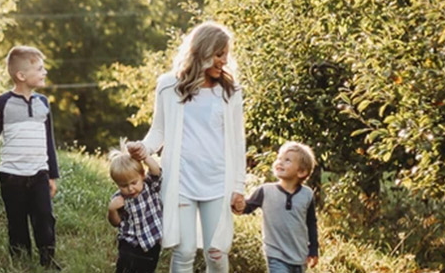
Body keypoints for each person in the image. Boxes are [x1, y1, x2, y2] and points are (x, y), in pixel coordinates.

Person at [125, 21, 247, 273]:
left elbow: (237, 141)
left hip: (217, 183)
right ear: (201, 52)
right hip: (181, 181)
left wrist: (238, 187)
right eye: (218, 54)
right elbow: (159, 130)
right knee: (184, 250)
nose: (224, 60)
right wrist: (143, 148)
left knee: (216, 252)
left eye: (226, 54)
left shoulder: (231, 91)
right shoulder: (168, 86)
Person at [0, 46, 60, 269]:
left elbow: (49, 141)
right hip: (11, 175)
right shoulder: (3, 102)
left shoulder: (43, 103)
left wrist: (52, 176)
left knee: (45, 219)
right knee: (17, 222)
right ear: (21, 75)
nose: (44, 72)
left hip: (39, 173)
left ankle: (48, 260)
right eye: (39, 69)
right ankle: (20, 262)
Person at [239, 142, 320, 273]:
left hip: (299, 256)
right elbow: (246, 208)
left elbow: (311, 223)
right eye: (279, 158)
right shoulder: (265, 191)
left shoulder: (307, 194)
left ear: (301, 171)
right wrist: (234, 201)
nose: (280, 162)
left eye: (287, 160)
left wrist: (314, 249)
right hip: (275, 254)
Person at [107, 147, 164, 273]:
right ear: (117, 184)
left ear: (142, 175)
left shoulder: (149, 185)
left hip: (152, 242)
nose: (130, 189)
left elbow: (156, 171)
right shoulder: (118, 199)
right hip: (130, 245)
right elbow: (116, 222)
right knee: (125, 269)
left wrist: (145, 157)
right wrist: (112, 210)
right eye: (124, 185)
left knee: (147, 269)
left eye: (134, 183)